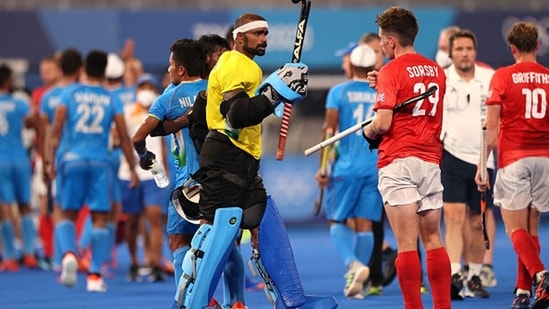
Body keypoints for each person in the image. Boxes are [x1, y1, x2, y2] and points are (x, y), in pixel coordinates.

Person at [171, 12, 336, 309]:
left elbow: (251, 107)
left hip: (242, 160)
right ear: (239, 37)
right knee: (218, 233)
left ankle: (292, 300)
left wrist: (281, 91)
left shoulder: (245, 66)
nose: (264, 39)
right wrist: (275, 94)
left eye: (265, 33)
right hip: (227, 158)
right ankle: (191, 304)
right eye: (257, 33)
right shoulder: (236, 62)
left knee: (267, 221)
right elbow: (236, 114)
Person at [363, 6, 451, 309]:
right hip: (430, 161)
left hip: (399, 160)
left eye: (380, 40)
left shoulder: (391, 70)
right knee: (433, 239)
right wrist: (383, 85)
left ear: (390, 42)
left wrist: (369, 132)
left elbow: (384, 123)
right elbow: (413, 98)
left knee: (406, 244)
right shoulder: (435, 70)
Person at [45, 50, 138, 292]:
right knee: (100, 218)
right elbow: (124, 136)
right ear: (105, 71)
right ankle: (95, 275)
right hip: (101, 163)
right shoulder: (111, 99)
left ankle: (68, 255)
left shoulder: (69, 94)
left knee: (67, 214)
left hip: (72, 160)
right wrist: (134, 168)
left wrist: (48, 162)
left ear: (85, 69)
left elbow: (55, 131)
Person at [475, 21, 549, 309]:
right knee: (531, 227)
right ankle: (523, 291)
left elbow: (490, 128)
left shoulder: (502, 77)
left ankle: (541, 274)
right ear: (538, 46)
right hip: (544, 159)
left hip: (514, 158)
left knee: (513, 226)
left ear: (513, 48)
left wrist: (482, 165)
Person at [131, 38, 209, 303]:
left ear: (181, 71)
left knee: (178, 242)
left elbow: (138, 137)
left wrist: (145, 156)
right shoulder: (215, 89)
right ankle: (232, 300)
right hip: (221, 178)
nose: (168, 70)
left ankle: (185, 301)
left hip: (187, 182)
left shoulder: (170, 96)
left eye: (170, 65)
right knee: (217, 244)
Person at [315, 44, 383, 299]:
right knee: (365, 224)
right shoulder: (380, 92)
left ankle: (354, 264)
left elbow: (329, 131)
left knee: (336, 219)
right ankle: (359, 284)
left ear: (352, 65)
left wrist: (322, 168)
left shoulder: (338, 92)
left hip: (346, 168)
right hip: (374, 167)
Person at [439, 29, 495, 300]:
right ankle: (453, 274)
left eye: (469, 49)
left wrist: (487, 158)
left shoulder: (490, 78)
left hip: (484, 160)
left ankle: (473, 275)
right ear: (450, 52)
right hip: (451, 156)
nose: (464, 53)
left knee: (476, 222)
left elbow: (499, 120)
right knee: (452, 217)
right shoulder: (441, 78)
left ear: (475, 52)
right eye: (459, 49)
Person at [38, 48, 84, 270]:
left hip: (62, 157)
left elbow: (48, 132)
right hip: (88, 156)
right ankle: (81, 254)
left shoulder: (48, 96)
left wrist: (47, 160)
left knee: (60, 208)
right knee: (95, 210)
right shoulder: (81, 92)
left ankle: (62, 256)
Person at [120, 73, 168, 283]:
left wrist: (165, 169)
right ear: (137, 89)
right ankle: (133, 262)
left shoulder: (160, 112)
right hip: (128, 174)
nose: (146, 90)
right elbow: (119, 140)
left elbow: (164, 145)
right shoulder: (127, 111)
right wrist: (130, 168)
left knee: (155, 219)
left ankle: (155, 263)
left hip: (152, 174)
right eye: (143, 86)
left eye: (150, 86)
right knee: (131, 222)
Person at [0, 64, 39, 272]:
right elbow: (34, 121)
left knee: (4, 208)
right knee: (25, 205)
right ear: (8, 81)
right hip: (20, 158)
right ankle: (30, 253)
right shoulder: (20, 103)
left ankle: (9, 257)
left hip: (0, 160)